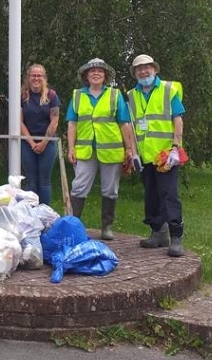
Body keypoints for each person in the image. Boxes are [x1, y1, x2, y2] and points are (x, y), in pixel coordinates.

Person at [66, 58, 137, 240]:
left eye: (100, 71)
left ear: (105, 76)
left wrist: (129, 149)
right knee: (79, 187)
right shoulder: (77, 95)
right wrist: (71, 147)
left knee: (110, 189)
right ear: (86, 76)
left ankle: (107, 227)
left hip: (111, 151)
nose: (96, 73)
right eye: (92, 71)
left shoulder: (115, 95)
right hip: (85, 150)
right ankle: (74, 224)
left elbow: (124, 124)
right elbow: (72, 124)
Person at [127, 54, 186, 257]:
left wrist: (175, 147)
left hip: (166, 155)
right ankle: (158, 232)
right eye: (139, 69)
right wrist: (133, 153)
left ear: (154, 69)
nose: (143, 71)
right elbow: (132, 127)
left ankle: (176, 235)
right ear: (135, 73)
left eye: (147, 68)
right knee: (151, 195)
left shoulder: (168, 90)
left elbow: (177, 119)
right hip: (145, 156)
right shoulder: (131, 95)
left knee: (169, 194)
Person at [20, 64, 61, 205]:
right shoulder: (22, 95)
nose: (36, 78)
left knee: (44, 180)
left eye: (39, 75)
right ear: (28, 77)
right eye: (33, 75)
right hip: (27, 142)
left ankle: (45, 214)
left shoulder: (52, 96)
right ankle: (31, 215)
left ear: (44, 78)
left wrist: (43, 143)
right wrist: (31, 143)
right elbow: (19, 122)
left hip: (48, 142)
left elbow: (55, 120)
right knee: (31, 179)